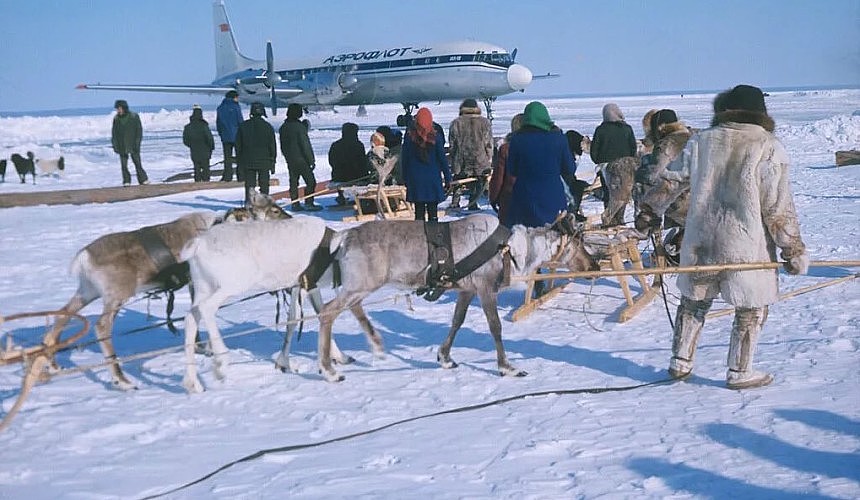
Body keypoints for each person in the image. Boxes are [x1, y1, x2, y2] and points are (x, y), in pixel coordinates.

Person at [664, 84, 809, 389]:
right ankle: (740, 372)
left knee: (693, 301)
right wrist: (792, 249)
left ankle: (680, 361)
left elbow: (669, 179)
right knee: (751, 306)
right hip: (744, 244)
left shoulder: (700, 141)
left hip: (702, 241)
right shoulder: (767, 146)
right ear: (761, 111)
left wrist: (649, 211)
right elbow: (778, 207)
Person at [505, 101, 577, 228]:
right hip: (553, 201)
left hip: (524, 201)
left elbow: (512, 170)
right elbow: (570, 168)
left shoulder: (517, 139)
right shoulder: (558, 138)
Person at [401, 107, 452, 222]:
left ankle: (419, 236)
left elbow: (405, 159)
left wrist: (404, 177)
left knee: (418, 212)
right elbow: (443, 160)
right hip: (432, 179)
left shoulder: (409, 137)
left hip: (415, 179)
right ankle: (433, 234)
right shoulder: (436, 137)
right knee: (433, 211)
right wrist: (448, 178)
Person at [448, 98, 494, 210]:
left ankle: (455, 202)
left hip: (461, 160)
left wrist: (454, 157)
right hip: (480, 159)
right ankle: (473, 202)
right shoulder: (484, 123)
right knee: (479, 180)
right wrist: (488, 157)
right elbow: (488, 143)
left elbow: (452, 144)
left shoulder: (456, 123)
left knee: (458, 179)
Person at [590, 103, 637, 211]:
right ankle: (620, 218)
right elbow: (633, 148)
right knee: (623, 192)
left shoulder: (601, 130)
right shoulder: (627, 129)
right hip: (625, 166)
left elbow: (594, 151)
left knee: (608, 194)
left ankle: (610, 218)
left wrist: (599, 161)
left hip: (606, 167)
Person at [279, 103, 321, 211]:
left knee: (293, 181)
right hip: (301, 159)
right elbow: (305, 145)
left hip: (290, 158)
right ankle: (309, 202)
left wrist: (287, 156)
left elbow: (282, 145)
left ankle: (295, 203)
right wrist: (311, 160)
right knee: (311, 181)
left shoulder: (283, 127)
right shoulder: (299, 127)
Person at [235, 102, 277, 203]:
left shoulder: (243, 126)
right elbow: (272, 146)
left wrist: (239, 161)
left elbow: (238, 146)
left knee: (250, 185)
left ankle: (249, 203)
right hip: (264, 161)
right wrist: (273, 161)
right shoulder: (267, 126)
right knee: (264, 186)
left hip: (248, 161)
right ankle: (265, 204)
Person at [488, 113, 523, 224]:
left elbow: (498, 178)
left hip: (511, 200)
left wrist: (493, 198)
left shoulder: (506, 149)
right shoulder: (541, 147)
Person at [328, 122, 372, 205]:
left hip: (338, 176)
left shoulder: (335, 145)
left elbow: (331, 161)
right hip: (356, 176)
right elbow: (362, 162)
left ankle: (341, 196)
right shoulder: (358, 145)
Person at [111, 99, 149, 186]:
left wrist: (137, 143)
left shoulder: (134, 116)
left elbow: (139, 131)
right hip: (122, 145)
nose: (118, 110)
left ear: (124, 108)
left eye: (119, 108)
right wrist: (115, 144)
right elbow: (114, 133)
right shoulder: (116, 119)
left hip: (133, 144)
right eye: (117, 109)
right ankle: (126, 180)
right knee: (124, 165)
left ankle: (143, 179)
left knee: (137, 163)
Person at [216, 90, 244, 182]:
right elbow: (240, 121)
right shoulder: (236, 107)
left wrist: (221, 134)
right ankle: (241, 175)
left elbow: (218, 123)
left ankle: (228, 176)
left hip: (225, 136)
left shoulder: (220, 108)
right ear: (234, 97)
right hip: (236, 135)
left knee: (227, 157)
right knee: (240, 156)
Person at [563, 129, 590, 222]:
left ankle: (572, 211)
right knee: (578, 187)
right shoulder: (567, 154)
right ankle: (572, 212)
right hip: (563, 183)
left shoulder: (564, 150)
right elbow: (569, 171)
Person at [182, 105, 215, 182]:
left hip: (194, 150)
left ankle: (197, 182)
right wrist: (211, 147)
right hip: (205, 150)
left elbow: (185, 140)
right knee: (206, 168)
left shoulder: (188, 127)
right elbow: (209, 138)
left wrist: (191, 145)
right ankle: (206, 183)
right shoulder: (204, 125)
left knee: (196, 168)